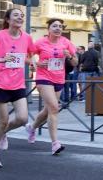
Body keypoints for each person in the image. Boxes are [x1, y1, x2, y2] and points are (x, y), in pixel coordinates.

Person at [0, 8, 35, 168]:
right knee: (2, 121)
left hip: (17, 84)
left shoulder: (27, 38)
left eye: (22, 16)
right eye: (16, 15)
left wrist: (33, 62)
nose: (20, 17)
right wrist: (2, 59)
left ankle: (3, 133)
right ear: (8, 20)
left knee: (23, 119)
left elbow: (27, 56)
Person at [26, 18, 77, 155]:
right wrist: (35, 64)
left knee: (48, 110)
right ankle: (55, 143)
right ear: (48, 29)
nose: (58, 28)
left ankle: (32, 127)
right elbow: (27, 55)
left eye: (60, 26)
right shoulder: (40, 42)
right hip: (44, 78)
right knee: (54, 107)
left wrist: (69, 57)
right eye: (54, 26)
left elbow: (75, 62)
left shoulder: (66, 43)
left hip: (59, 79)